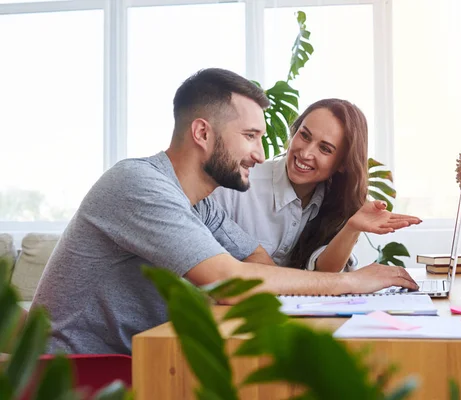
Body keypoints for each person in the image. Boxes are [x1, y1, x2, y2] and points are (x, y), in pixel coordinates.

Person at [31, 68, 418, 355]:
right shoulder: (138, 184)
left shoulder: (199, 204)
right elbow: (227, 282)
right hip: (75, 374)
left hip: (140, 359)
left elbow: (259, 261)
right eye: (250, 137)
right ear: (202, 133)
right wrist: (352, 285)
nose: (261, 154)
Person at [210, 98, 422, 271]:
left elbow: (324, 273)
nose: (306, 153)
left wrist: (352, 228)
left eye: (325, 149)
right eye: (304, 135)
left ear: (342, 164)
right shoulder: (237, 184)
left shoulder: (336, 202)